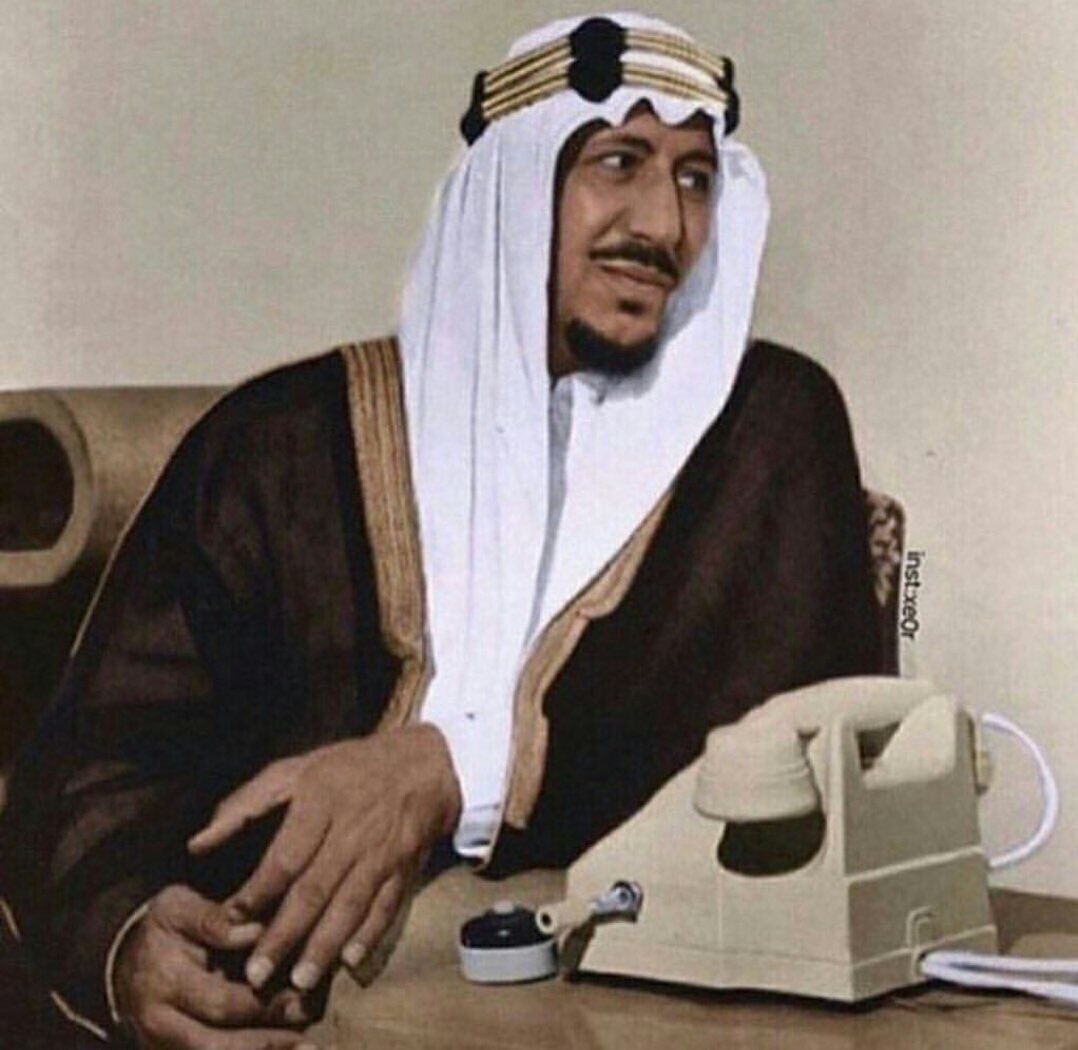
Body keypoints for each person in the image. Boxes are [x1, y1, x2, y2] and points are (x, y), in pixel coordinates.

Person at [0, 12, 879, 1049]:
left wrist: (448, 771)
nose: (665, 225)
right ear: (513, 188)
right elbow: (94, 766)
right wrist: (130, 943)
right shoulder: (278, 443)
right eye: (619, 162)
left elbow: (779, 753)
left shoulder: (769, 430)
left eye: (695, 178)